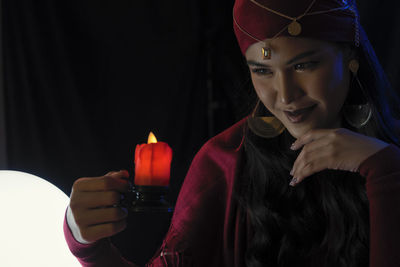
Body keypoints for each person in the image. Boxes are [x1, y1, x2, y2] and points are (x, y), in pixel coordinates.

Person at [64, 0, 400, 266]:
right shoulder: (224, 163)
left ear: (350, 57)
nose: (285, 96)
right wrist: (86, 244)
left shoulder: (391, 155)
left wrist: (386, 172)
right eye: (262, 71)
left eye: (304, 65)